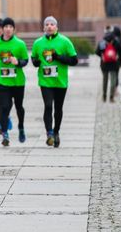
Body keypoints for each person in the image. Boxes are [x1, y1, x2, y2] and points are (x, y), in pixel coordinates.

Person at [31, 16, 78, 147]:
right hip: (45, 81)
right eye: (47, 24)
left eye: (52, 24)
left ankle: (56, 131)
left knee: (58, 108)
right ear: (43, 28)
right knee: (47, 106)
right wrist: (35, 62)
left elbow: (74, 60)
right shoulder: (38, 43)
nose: (49, 26)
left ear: (56, 27)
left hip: (60, 81)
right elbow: (34, 58)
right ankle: (49, 134)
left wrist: (58, 57)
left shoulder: (65, 41)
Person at [0, 17, 28, 147]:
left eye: (11, 27)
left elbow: (25, 61)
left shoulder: (20, 44)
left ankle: (21, 127)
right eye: (6, 27)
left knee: (19, 107)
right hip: (2, 80)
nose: (8, 29)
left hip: (17, 81)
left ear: (14, 29)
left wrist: (18, 62)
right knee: (4, 107)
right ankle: (5, 134)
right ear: (3, 29)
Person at [96, 30, 121, 102]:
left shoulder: (102, 43)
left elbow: (96, 52)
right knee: (113, 81)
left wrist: (102, 56)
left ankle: (104, 96)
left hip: (104, 64)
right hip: (114, 65)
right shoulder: (116, 42)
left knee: (105, 80)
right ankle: (111, 97)